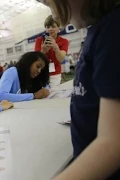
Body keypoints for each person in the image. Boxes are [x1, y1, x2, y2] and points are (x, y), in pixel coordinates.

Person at [37, 0, 120, 179]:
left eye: (48, 2)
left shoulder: (113, 31)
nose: (51, 11)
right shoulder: (100, 30)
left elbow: (113, 143)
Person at [35, 15, 69, 88]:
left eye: (53, 26)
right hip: (41, 72)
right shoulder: (39, 40)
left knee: (55, 93)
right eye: (48, 27)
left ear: (58, 28)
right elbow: (35, 60)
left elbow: (61, 59)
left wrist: (56, 47)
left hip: (55, 73)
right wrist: (43, 51)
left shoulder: (64, 41)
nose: (50, 29)